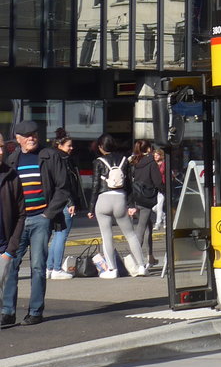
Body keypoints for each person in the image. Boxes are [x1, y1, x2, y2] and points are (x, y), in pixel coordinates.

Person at [1, 120, 71, 326]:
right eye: (27, 135)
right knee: (10, 265)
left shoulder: (50, 156)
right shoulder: (12, 160)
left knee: (38, 267)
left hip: (41, 219)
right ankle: (7, 311)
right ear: (19, 139)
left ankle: (35, 311)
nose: (32, 138)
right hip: (18, 222)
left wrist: (48, 215)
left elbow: (63, 187)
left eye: (34, 134)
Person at [87, 134, 147, 278]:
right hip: (120, 198)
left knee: (107, 236)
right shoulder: (124, 161)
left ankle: (112, 270)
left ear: (101, 147)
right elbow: (129, 185)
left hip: (103, 199)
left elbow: (95, 186)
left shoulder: (98, 162)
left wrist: (90, 208)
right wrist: (131, 204)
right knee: (130, 235)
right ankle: (141, 266)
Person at [46, 129, 85, 280]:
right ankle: (56, 268)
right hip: (64, 202)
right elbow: (65, 184)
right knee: (62, 234)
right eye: (69, 145)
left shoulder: (52, 158)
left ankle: (49, 267)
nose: (71, 148)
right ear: (60, 145)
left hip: (54, 202)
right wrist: (71, 202)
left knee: (56, 236)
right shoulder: (65, 160)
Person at [129, 139, 163, 267]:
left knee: (148, 226)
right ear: (148, 149)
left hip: (134, 198)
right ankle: (136, 261)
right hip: (146, 199)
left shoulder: (133, 162)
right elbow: (158, 181)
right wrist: (164, 191)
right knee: (141, 229)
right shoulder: (151, 163)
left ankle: (150, 257)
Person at [0, 153, 25, 303]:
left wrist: (10, 250)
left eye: (1, 146)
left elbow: (21, 215)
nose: (1, 151)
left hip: (3, 250)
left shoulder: (12, 176)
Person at [152, 145, 167, 229]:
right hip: (156, 187)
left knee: (160, 205)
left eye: (157, 155)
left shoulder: (164, 164)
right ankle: (165, 219)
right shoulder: (154, 164)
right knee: (155, 208)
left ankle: (158, 223)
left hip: (163, 186)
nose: (155, 156)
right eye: (154, 155)